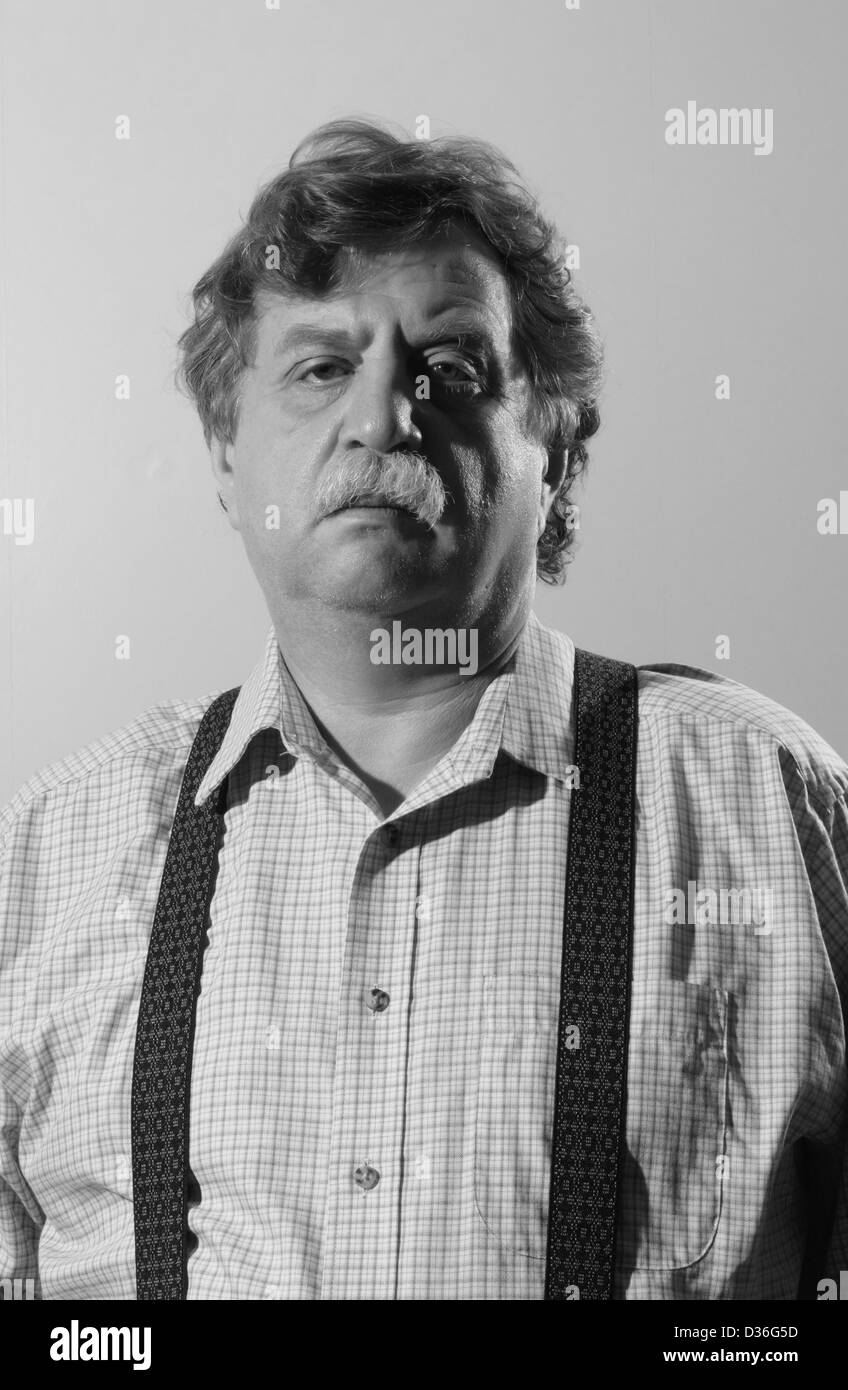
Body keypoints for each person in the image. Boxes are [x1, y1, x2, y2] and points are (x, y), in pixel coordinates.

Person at [1, 118, 846, 1302]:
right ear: (224, 451)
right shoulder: (47, 855)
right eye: (318, 367)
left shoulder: (765, 797)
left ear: (551, 444)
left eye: (448, 369)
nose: (382, 416)